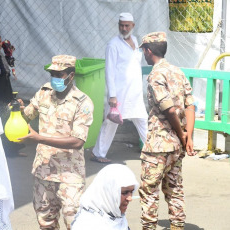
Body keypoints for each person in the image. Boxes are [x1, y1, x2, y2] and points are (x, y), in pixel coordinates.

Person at [19, 55, 94, 230]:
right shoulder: (43, 93)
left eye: (59, 74)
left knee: (74, 222)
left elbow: (77, 142)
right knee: (45, 222)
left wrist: (40, 138)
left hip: (70, 175)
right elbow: (27, 116)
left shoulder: (82, 103)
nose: (54, 78)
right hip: (43, 172)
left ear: (71, 76)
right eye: (52, 73)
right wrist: (18, 110)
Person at [138, 32, 196, 230]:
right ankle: (178, 226)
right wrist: (188, 137)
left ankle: (149, 227)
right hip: (176, 146)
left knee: (149, 190)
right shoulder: (178, 71)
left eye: (144, 50)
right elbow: (190, 106)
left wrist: (182, 134)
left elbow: (169, 109)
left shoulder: (155, 74)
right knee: (175, 189)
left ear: (148, 50)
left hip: (158, 145)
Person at [91, 12, 148, 163]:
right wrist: (112, 95)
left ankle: (152, 151)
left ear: (132, 26)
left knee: (142, 119)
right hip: (119, 94)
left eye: (126, 26)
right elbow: (109, 71)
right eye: (121, 25)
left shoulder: (135, 41)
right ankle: (98, 153)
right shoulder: (113, 44)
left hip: (134, 92)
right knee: (111, 122)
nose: (123, 28)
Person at [72, 164, 139, 230]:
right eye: (124, 193)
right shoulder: (88, 225)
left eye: (131, 192)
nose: (130, 198)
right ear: (108, 192)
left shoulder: (113, 215)